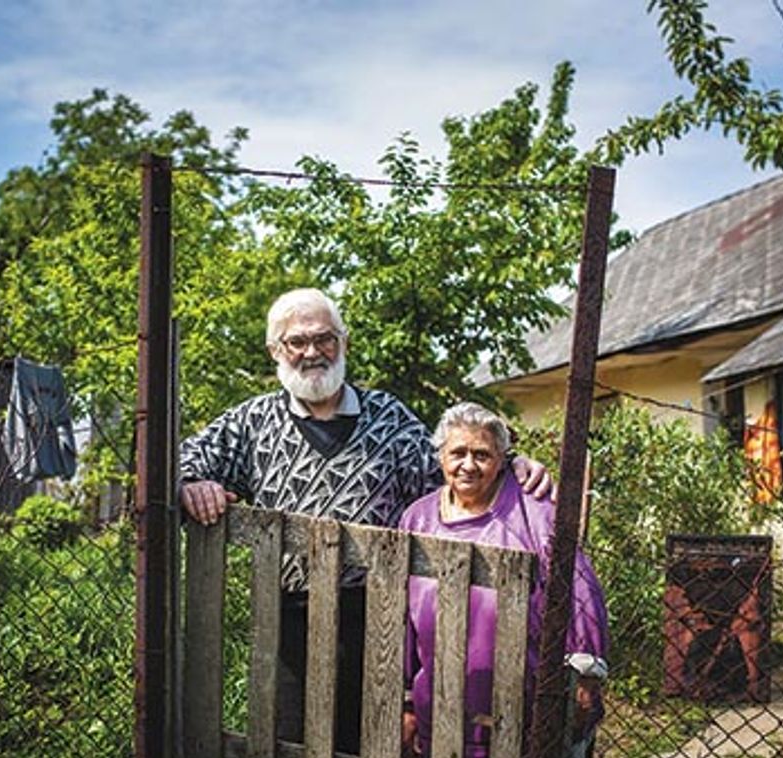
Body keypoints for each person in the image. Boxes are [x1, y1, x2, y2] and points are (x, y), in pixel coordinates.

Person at [179, 288, 553, 751]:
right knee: (289, 740)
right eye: (297, 342)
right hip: (287, 617)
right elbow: (185, 460)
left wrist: (512, 465)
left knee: (371, 739)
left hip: (376, 614)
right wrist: (191, 481)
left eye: (325, 338)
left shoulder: (388, 417)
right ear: (276, 350)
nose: (312, 351)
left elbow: (452, 472)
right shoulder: (254, 421)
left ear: (344, 343)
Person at [400, 402, 610, 758]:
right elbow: (401, 617)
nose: (468, 465)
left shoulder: (534, 510)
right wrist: (405, 697)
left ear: (502, 459)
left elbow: (578, 586)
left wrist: (586, 671)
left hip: (519, 703)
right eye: (458, 453)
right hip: (438, 702)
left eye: (481, 454)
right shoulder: (416, 519)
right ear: (440, 457)